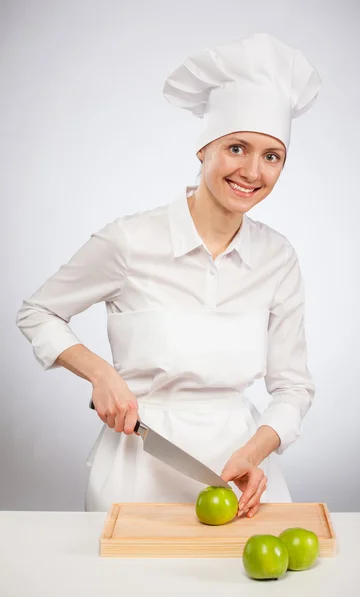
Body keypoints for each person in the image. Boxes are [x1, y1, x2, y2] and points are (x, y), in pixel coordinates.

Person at [16, 32, 321, 516]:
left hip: (241, 473)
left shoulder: (277, 258)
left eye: (272, 156)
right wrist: (100, 373)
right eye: (237, 147)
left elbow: (293, 387)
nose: (252, 172)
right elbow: (38, 312)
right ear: (203, 150)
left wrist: (255, 451)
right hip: (138, 467)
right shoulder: (129, 241)